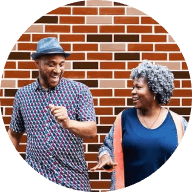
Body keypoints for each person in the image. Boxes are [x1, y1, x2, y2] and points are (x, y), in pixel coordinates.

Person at [7, 37, 97, 191]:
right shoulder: (23, 95)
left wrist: (68, 123)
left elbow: (92, 130)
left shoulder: (79, 91)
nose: (57, 70)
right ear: (37, 63)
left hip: (73, 179)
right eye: (51, 64)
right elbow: (14, 134)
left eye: (61, 64)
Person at [91, 60, 188, 190]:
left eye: (138, 87)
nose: (133, 91)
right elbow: (106, 147)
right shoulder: (123, 118)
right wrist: (105, 157)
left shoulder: (179, 123)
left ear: (155, 90)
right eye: (133, 87)